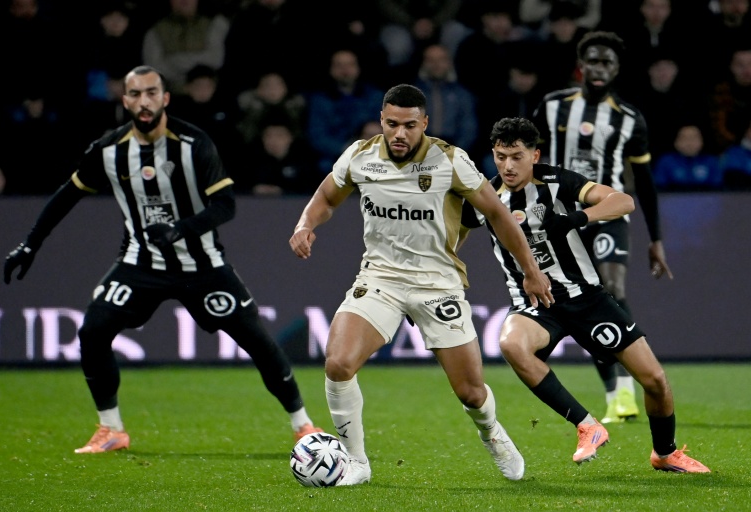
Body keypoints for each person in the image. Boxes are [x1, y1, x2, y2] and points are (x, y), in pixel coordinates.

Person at [3, 65, 322, 453]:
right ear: (125, 101)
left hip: (201, 264)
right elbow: (66, 196)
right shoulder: (109, 150)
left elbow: (225, 206)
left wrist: (179, 230)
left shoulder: (194, 143)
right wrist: (29, 244)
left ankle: (302, 425)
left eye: (151, 92)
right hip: (141, 263)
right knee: (92, 331)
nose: (144, 101)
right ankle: (112, 429)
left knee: (256, 339)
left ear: (165, 98)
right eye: (135, 94)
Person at [289, 84, 553, 485]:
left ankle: (492, 432)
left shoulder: (449, 160)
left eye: (409, 125)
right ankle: (357, 462)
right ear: (382, 121)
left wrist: (531, 271)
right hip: (380, 278)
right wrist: (305, 224)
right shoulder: (360, 156)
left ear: (424, 124)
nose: (399, 133)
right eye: (392, 124)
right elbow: (327, 196)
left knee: (471, 393)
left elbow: (498, 214)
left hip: (437, 284)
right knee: (338, 364)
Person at [460, 117, 710, 473]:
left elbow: (622, 201)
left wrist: (577, 218)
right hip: (535, 304)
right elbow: (459, 227)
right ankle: (587, 425)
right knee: (512, 344)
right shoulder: (487, 195)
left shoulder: (557, 182)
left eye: (516, 156)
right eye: (500, 157)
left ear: (535, 154)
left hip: (586, 298)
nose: (508, 166)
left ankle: (665, 453)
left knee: (654, 380)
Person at [532, 31, 672, 425]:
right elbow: (528, 158)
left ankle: (628, 387)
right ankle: (615, 393)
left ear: (617, 69)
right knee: (582, 299)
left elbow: (642, 182)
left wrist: (657, 239)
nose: (599, 68)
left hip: (608, 215)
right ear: (581, 64)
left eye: (607, 62)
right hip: (558, 220)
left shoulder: (629, 119)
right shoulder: (553, 106)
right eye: (592, 60)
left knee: (613, 286)